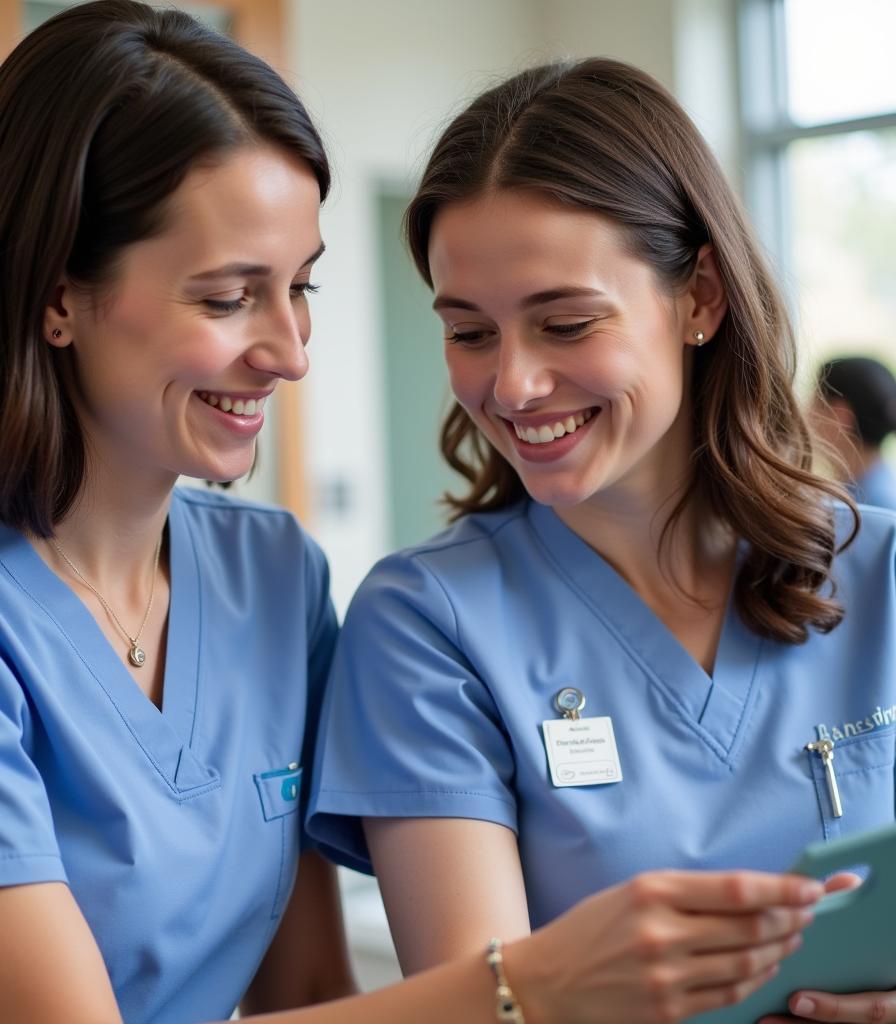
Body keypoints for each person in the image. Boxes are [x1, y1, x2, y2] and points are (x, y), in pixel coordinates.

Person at [0, 10, 824, 1024]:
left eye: (301, 287)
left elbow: (314, 996)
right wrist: (531, 985)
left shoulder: (267, 577)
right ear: (57, 297)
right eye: (231, 297)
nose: (290, 350)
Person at [308, 58, 896, 1024]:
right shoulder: (428, 623)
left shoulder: (879, 573)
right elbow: (479, 1001)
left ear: (699, 296)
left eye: (566, 323)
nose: (513, 386)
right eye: (470, 332)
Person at [813, 356, 896, 511]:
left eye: (815, 404)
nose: (806, 414)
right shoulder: (857, 491)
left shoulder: (878, 505)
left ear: (839, 416)